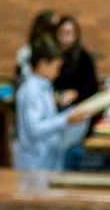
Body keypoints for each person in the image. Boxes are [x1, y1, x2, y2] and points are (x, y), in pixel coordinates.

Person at [12, 37, 96, 170]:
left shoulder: (43, 88)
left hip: (46, 159)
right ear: (43, 64)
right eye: (56, 67)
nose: (58, 72)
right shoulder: (31, 90)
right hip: (35, 162)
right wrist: (66, 119)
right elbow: (35, 129)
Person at [53, 15, 99, 107]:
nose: (65, 36)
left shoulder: (83, 57)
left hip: (78, 106)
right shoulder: (52, 55)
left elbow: (92, 87)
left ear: (75, 35)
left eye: (68, 33)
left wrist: (76, 94)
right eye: (62, 32)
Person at [15, 8, 59, 77]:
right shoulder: (26, 52)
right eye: (52, 28)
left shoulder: (61, 51)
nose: (56, 32)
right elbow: (24, 76)